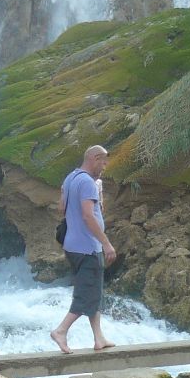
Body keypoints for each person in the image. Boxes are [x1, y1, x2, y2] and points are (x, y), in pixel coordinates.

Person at [50, 145, 117, 354]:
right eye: (104, 162)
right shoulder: (87, 182)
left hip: (72, 245)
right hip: (88, 247)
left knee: (93, 290)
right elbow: (88, 216)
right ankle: (61, 331)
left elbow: (62, 208)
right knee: (85, 293)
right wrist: (106, 243)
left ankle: (99, 338)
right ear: (95, 158)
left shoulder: (70, 178)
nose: (104, 167)